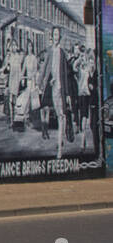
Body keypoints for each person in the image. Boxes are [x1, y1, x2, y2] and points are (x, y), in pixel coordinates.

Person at [39, 26, 74, 160]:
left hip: (61, 88)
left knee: (61, 115)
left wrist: (68, 94)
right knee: (54, 113)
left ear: (60, 37)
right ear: (52, 36)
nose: (56, 36)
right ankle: (60, 139)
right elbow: (44, 69)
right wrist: (39, 84)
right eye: (54, 34)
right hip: (51, 87)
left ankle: (60, 146)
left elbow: (65, 75)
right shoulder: (48, 51)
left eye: (57, 34)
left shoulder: (62, 53)